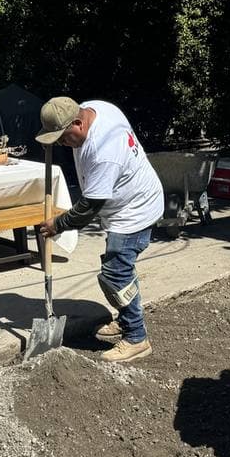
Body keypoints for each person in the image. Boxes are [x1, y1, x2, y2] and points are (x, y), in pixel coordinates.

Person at [35, 97, 165, 363]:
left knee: (115, 274)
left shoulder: (104, 151)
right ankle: (128, 320)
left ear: (78, 123)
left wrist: (57, 225)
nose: (61, 144)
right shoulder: (95, 108)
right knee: (122, 269)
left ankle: (136, 338)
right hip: (127, 204)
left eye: (63, 137)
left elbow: (88, 208)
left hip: (135, 212)